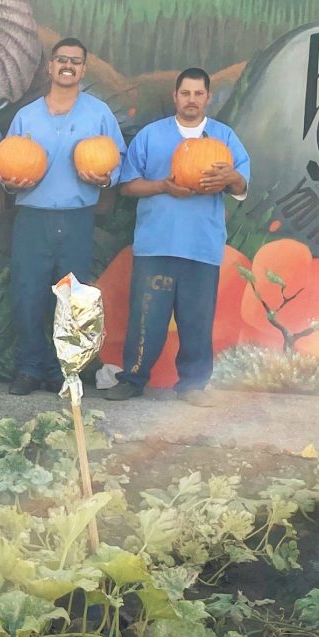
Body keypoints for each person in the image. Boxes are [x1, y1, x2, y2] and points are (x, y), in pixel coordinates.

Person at [104, 67, 250, 405]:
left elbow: (242, 185)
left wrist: (230, 177)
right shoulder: (151, 135)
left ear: (208, 98)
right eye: (186, 93)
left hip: (202, 246)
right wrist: (162, 186)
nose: (192, 100)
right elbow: (127, 185)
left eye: (199, 94)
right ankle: (133, 378)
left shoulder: (224, 138)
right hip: (157, 244)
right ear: (175, 96)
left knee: (196, 321)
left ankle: (193, 386)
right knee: (146, 316)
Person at [2, 38, 126, 395]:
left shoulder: (99, 114)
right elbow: (8, 164)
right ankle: (28, 368)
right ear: (50, 67)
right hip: (32, 219)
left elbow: (117, 159)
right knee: (27, 296)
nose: (67, 65)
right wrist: (10, 183)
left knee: (73, 300)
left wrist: (107, 178)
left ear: (83, 69)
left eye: (75, 61)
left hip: (76, 218)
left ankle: (63, 371)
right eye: (61, 59)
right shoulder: (27, 116)